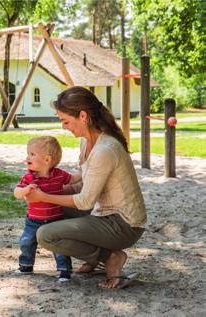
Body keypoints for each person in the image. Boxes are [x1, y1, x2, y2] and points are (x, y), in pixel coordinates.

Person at [28, 86, 146, 289]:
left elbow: (85, 201)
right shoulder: (87, 142)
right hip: (103, 215)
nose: (64, 127)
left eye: (66, 121)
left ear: (82, 116)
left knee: (45, 234)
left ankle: (110, 257)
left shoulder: (104, 149)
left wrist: (44, 196)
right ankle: (95, 258)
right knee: (47, 212)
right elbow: (84, 184)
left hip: (124, 224)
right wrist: (43, 189)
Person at [14, 136, 81, 282]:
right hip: (33, 220)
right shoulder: (29, 178)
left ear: (47, 160)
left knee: (58, 246)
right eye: (28, 153)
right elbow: (16, 193)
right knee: (26, 242)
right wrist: (25, 190)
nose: (27, 157)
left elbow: (74, 179)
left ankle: (64, 270)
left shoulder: (59, 175)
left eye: (32, 154)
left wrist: (87, 170)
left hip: (55, 219)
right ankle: (26, 265)